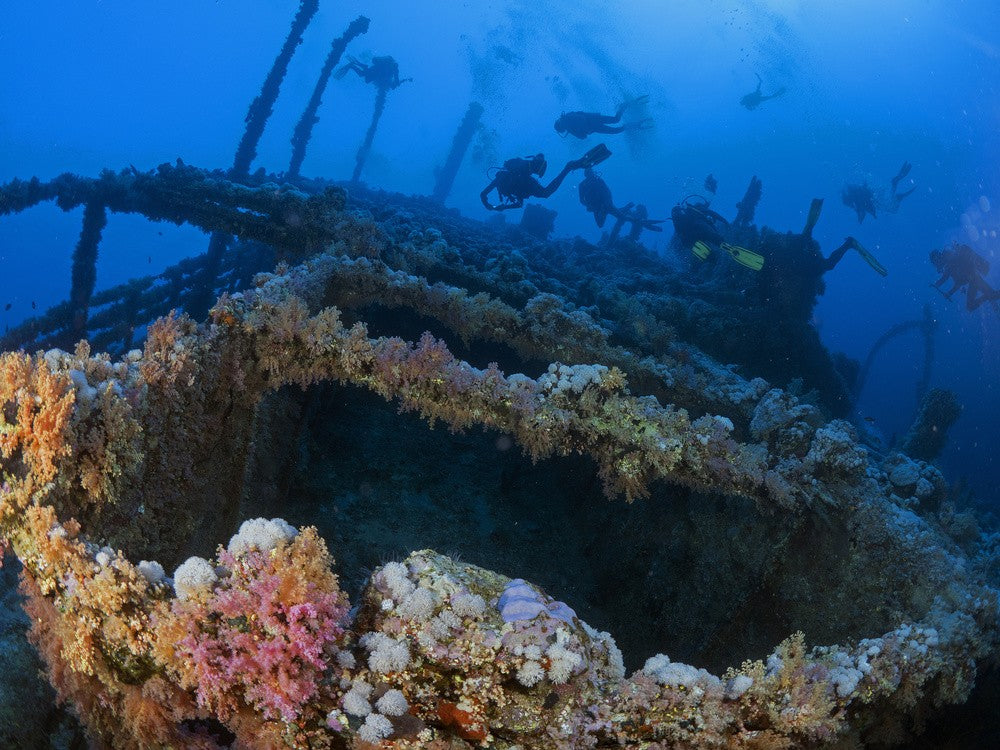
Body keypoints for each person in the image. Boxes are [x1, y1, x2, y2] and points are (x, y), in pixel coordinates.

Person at [481, 144, 611, 211]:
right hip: (524, 182)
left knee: (545, 193)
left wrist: (496, 206)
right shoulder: (505, 178)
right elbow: (484, 195)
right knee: (545, 193)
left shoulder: (503, 178)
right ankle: (568, 168)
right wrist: (501, 207)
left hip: (524, 182)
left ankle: (567, 168)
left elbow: (484, 194)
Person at [669, 196, 764, 270]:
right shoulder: (698, 208)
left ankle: (711, 259)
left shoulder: (679, 217)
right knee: (712, 236)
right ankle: (726, 247)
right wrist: (725, 221)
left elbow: (679, 233)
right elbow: (713, 214)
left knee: (694, 245)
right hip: (701, 229)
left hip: (687, 237)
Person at [930, 243, 1000, 310]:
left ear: (938, 259)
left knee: (972, 305)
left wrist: (947, 291)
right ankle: (989, 297)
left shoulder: (950, 262)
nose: (937, 266)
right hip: (974, 278)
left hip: (974, 279)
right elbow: (949, 279)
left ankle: (989, 296)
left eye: (936, 263)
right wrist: (940, 287)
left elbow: (955, 281)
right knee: (975, 304)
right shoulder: (949, 263)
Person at [554, 96, 652, 139]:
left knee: (616, 130)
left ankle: (635, 124)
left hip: (593, 126)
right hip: (594, 119)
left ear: (561, 128)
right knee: (616, 119)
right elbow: (580, 116)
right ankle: (624, 106)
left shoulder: (568, 126)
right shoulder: (566, 116)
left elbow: (583, 137)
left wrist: (583, 131)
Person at [335, 55, 411, 89]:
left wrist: (404, 80)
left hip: (375, 70)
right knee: (363, 75)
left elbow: (396, 80)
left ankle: (359, 65)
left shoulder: (392, 67)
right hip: (375, 72)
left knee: (365, 77)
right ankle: (352, 65)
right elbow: (396, 81)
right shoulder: (395, 70)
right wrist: (403, 81)